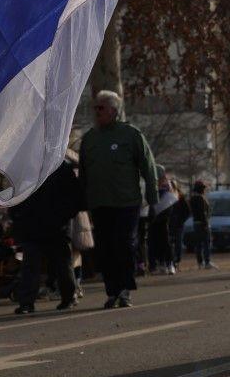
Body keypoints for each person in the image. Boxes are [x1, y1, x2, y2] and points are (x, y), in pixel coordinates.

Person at [78, 90, 157, 308]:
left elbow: (148, 167)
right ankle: (112, 290)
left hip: (126, 202)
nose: (96, 112)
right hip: (100, 203)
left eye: (101, 108)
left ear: (114, 110)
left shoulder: (130, 135)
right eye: (95, 108)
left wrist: (152, 196)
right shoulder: (89, 139)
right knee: (105, 248)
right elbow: (83, 173)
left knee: (123, 244)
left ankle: (125, 290)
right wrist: (82, 202)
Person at [12, 156, 82, 314]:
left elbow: (73, 196)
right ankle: (27, 302)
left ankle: (68, 297)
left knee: (61, 264)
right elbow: (17, 193)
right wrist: (18, 215)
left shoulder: (58, 166)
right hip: (34, 223)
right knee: (32, 265)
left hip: (54, 225)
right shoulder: (28, 165)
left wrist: (62, 217)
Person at [147, 173, 186, 274]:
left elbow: (174, 204)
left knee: (166, 242)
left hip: (165, 220)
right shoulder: (152, 188)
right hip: (154, 220)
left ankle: (169, 263)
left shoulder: (167, 189)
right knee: (155, 243)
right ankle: (161, 263)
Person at [189, 178, 215, 268]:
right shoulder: (200, 198)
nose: (204, 189)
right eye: (203, 188)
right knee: (206, 243)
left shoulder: (192, 198)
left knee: (198, 244)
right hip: (202, 223)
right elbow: (203, 212)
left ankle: (200, 262)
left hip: (195, 223)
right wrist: (206, 224)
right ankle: (207, 262)